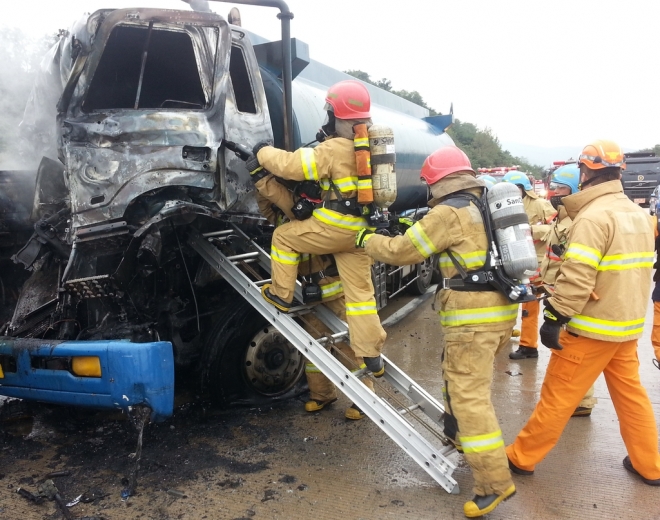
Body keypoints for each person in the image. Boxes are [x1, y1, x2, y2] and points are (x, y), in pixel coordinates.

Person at [358, 146, 518, 518]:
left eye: (429, 184)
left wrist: (368, 241)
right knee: (459, 382)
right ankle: (459, 439)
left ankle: (494, 484)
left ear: (438, 183)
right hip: (498, 313)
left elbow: (402, 251)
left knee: (470, 399)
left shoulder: (448, 212)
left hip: (471, 322)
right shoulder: (484, 205)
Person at [506, 139, 660, 486]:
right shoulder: (639, 215)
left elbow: (578, 276)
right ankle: (650, 465)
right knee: (632, 398)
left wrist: (555, 316)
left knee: (558, 396)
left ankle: (522, 457)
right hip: (625, 329)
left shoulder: (593, 217)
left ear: (587, 171)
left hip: (590, 329)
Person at [246, 79, 387, 379]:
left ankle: (281, 294)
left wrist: (262, 153)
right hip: (361, 233)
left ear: (336, 116)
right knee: (361, 297)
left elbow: (292, 166)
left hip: (334, 227)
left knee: (283, 237)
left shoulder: (334, 148)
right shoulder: (372, 150)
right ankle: (372, 353)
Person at [252, 173, 374, 419]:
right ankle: (322, 395)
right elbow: (267, 209)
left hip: (334, 292)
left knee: (347, 347)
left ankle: (364, 399)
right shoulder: (288, 224)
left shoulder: (322, 223)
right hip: (311, 297)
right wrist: (262, 182)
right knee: (314, 349)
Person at [537, 164, 597, 417]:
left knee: (571, 353)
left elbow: (574, 265)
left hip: (566, 295)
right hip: (555, 288)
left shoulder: (576, 221)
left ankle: (581, 401)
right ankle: (579, 400)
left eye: (560, 187)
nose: (553, 191)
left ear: (573, 189)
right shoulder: (562, 216)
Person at [501, 171, 557, 359]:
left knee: (532, 307)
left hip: (538, 263)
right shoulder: (506, 207)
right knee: (523, 306)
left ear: (523, 188)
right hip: (516, 261)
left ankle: (530, 346)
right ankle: (526, 345)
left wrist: (531, 230)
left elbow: (558, 228)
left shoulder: (539, 205)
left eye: (515, 188)